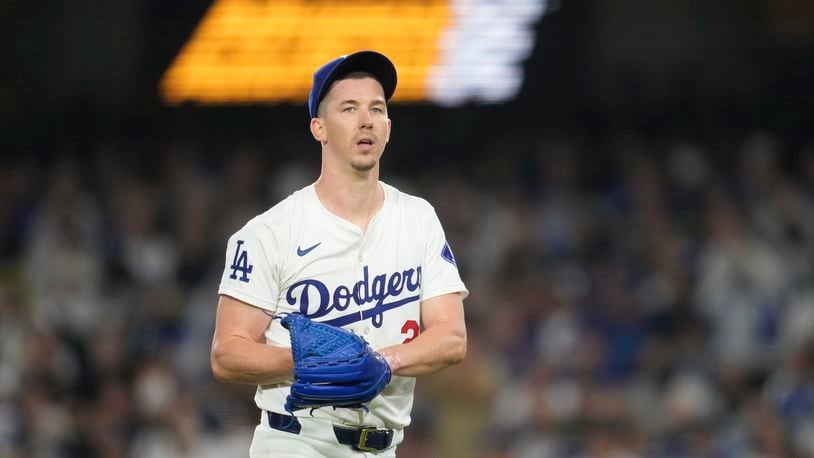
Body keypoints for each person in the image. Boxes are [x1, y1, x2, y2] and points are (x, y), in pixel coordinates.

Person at [210, 50, 468, 457]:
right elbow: (227, 353)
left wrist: (383, 361)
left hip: (383, 447)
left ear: (388, 127)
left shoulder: (418, 218)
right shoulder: (269, 231)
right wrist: (310, 362)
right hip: (298, 440)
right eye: (349, 108)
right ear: (319, 127)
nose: (366, 120)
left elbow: (451, 337)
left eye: (376, 109)